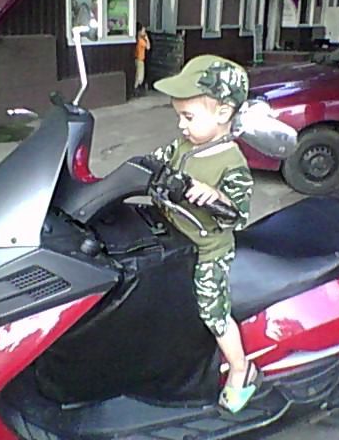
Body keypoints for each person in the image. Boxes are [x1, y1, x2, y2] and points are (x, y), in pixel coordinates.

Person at [151, 55, 259, 413]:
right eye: (179, 117)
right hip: (174, 235)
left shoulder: (232, 163)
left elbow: (237, 216)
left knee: (212, 310)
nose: (181, 125)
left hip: (209, 250)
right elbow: (152, 163)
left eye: (188, 117)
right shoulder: (184, 146)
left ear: (223, 113)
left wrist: (216, 197)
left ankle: (240, 369)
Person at [134, 23, 151, 96]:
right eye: (143, 31)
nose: (145, 33)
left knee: (137, 75)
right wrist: (147, 38)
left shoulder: (136, 40)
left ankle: (136, 89)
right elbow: (148, 47)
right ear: (140, 32)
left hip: (136, 59)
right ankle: (136, 89)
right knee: (140, 77)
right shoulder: (141, 41)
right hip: (140, 60)